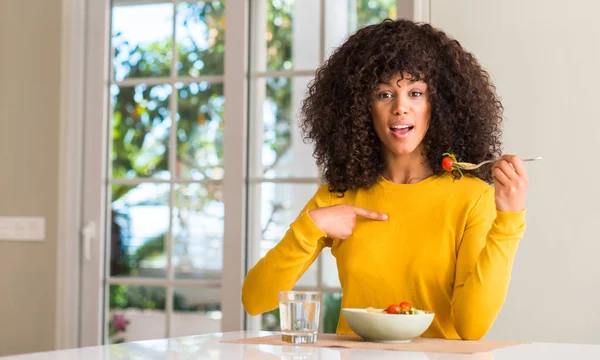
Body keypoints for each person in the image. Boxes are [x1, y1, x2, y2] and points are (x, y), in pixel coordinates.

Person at [241, 18, 528, 340]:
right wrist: (309, 228)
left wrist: (509, 222)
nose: (401, 108)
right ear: (361, 107)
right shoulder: (337, 196)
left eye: (416, 93)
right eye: (384, 94)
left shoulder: (471, 197)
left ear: (440, 105)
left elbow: (471, 327)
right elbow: (254, 300)